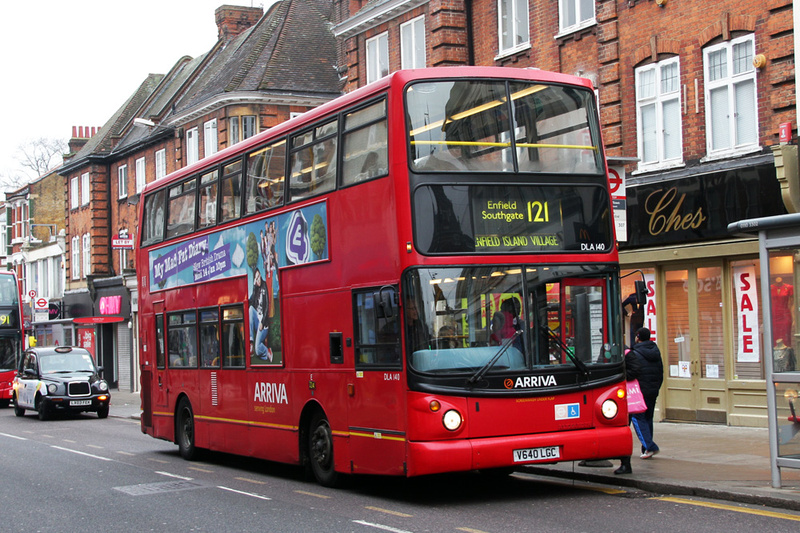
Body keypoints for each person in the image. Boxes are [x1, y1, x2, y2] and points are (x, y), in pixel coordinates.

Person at [615, 327, 664, 475]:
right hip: (653, 389)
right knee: (648, 418)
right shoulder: (656, 351)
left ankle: (649, 445)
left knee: (637, 417)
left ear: (637, 337)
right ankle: (646, 448)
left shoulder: (635, 353)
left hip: (640, 391)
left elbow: (635, 371)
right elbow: (660, 371)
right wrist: (656, 386)